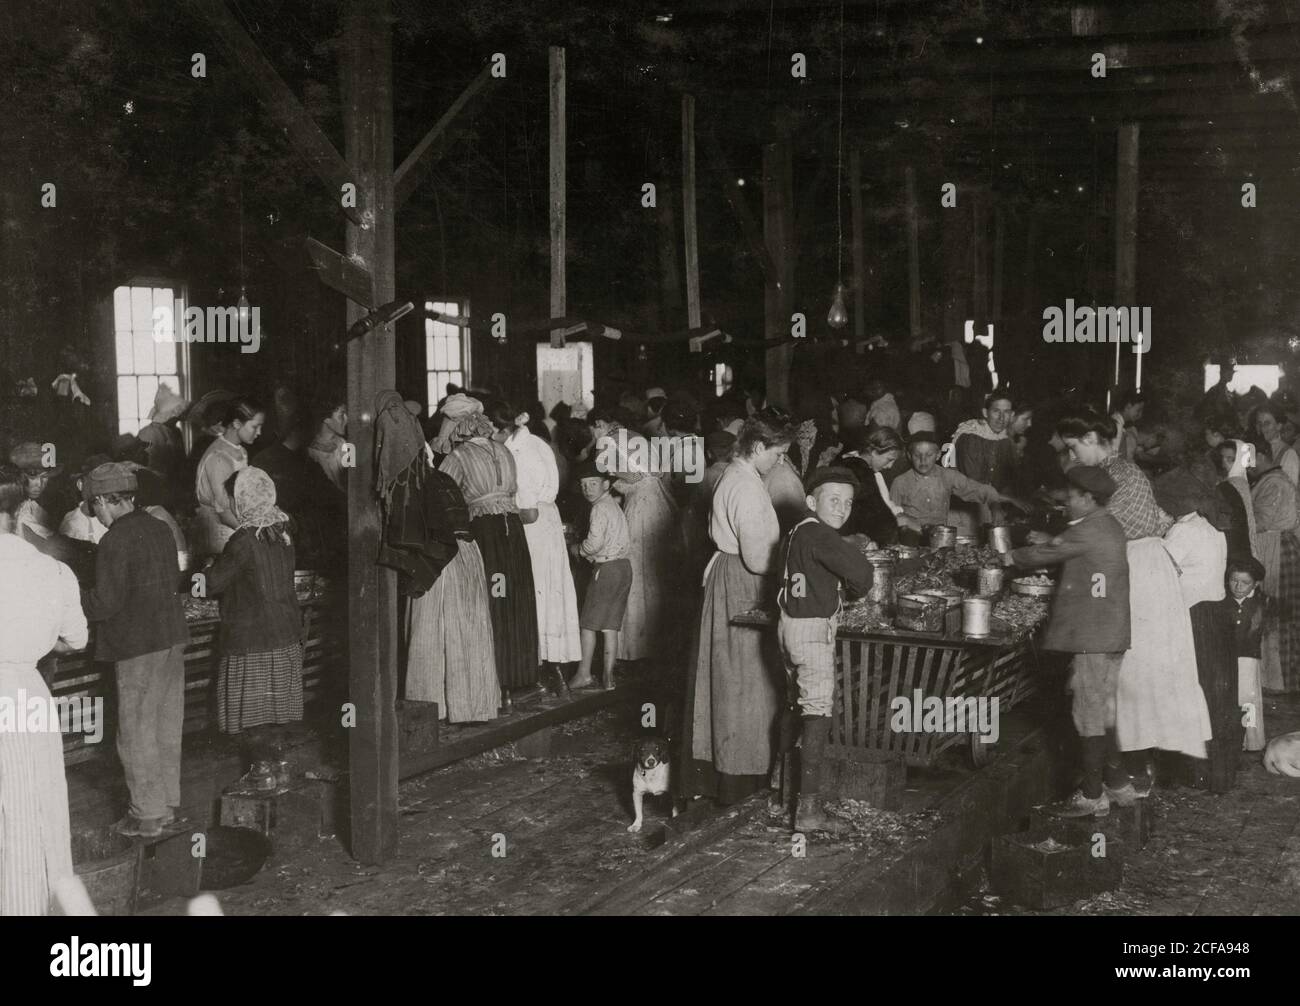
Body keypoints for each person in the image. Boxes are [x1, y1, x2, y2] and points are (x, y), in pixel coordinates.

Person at [1060, 409, 1211, 792]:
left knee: (1135, 673)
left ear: (1094, 438)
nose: (1073, 456)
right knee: (1126, 674)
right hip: (1133, 567)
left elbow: (1102, 529)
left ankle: (1133, 770)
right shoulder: (1109, 473)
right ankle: (1123, 768)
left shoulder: (1122, 473)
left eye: (1075, 447)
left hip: (1140, 571)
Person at [1002, 466, 1132, 816]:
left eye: (1073, 497)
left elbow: (1048, 553)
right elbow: (1069, 545)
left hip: (1094, 636)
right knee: (1104, 710)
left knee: (1087, 713)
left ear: (1089, 498)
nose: (1067, 502)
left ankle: (1092, 795)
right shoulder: (1108, 524)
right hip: (1111, 633)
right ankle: (1119, 785)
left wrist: (1009, 557)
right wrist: (1050, 539)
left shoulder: (1089, 529)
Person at [681, 414, 791, 805]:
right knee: (744, 681)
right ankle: (739, 776)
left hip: (731, 576)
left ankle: (734, 770)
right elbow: (759, 558)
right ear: (759, 448)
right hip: (743, 582)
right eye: (778, 454)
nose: (780, 462)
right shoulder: (743, 485)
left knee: (735, 678)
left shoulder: (738, 475)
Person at [79, 463, 189, 838]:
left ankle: (146, 815)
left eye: (93, 507)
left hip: (138, 645)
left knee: (136, 731)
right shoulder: (158, 527)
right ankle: (166, 804)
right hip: (171, 638)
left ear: (100, 502)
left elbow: (105, 604)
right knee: (164, 724)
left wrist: (71, 599)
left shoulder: (114, 540)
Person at [0, 470, 88, 914]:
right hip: (25, 695)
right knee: (32, 807)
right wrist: (34, 640)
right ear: (19, 511)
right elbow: (76, 639)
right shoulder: (51, 569)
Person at [777, 467, 876, 835]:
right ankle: (808, 809)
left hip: (788, 625)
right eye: (833, 500)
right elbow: (863, 575)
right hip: (813, 630)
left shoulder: (797, 531)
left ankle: (782, 788)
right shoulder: (821, 534)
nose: (842, 508)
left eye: (848, 502)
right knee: (818, 712)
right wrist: (851, 590)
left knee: (793, 703)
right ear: (811, 501)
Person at [439, 401, 540, 704]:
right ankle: (522, 679)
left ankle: (496, 684)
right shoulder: (503, 450)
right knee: (515, 600)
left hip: (486, 533)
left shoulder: (459, 456)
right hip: (512, 531)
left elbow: (441, 496)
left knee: (491, 602)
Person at [204, 468, 304, 749]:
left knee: (254, 720)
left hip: (254, 641)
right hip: (284, 634)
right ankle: (277, 771)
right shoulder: (282, 531)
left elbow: (211, 585)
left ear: (242, 500)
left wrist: (203, 572)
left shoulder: (244, 540)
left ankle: (263, 776)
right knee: (275, 717)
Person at [490, 402, 581, 683]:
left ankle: (539, 666)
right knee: (553, 592)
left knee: (536, 592)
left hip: (534, 527)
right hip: (549, 521)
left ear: (501, 429)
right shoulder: (538, 442)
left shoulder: (519, 455)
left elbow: (527, 512)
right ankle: (555, 664)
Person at [405, 465, 501, 723]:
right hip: (466, 553)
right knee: (463, 632)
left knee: (431, 632)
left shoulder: (414, 483)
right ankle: (466, 706)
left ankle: (431, 706)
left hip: (441, 558)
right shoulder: (441, 478)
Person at [1163, 498, 1234, 792]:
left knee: (1190, 694)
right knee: (1216, 697)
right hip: (1217, 616)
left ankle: (1194, 773)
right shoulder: (1211, 527)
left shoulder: (1182, 531)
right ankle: (1218, 775)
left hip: (1193, 617)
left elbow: (1160, 571)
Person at [568, 459, 633, 690]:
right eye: (584, 485)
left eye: (593, 484)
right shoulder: (614, 505)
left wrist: (579, 549)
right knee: (610, 627)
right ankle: (608, 677)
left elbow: (594, 543)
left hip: (606, 570)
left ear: (606, 484)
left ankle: (584, 674)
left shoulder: (598, 508)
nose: (587, 489)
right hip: (624, 568)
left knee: (587, 624)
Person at [890, 430, 1023, 536]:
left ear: (937, 455)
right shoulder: (900, 482)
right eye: (917, 455)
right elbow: (891, 517)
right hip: (910, 542)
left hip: (941, 540)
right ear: (909, 455)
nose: (923, 460)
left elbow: (980, 489)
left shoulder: (948, 476)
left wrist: (995, 506)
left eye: (929, 455)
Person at [1248, 446, 1300, 693]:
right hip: (1274, 547)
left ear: (1260, 456)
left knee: (1277, 615)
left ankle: (1280, 681)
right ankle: (1274, 679)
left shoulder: (1274, 482)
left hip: (1277, 549)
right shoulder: (1269, 480)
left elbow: (1261, 521)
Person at [194, 398, 264, 556]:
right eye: (255, 426)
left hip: (237, 522)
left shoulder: (240, 451)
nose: (259, 432)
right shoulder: (219, 458)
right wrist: (252, 537)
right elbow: (224, 511)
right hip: (220, 529)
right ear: (237, 423)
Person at [952, 391, 1018, 533]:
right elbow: (973, 483)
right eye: (996, 411)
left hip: (987, 507)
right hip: (963, 511)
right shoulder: (971, 437)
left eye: (1006, 412)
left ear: (1011, 415)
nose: (1001, 418)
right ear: (985, 412)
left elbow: (1006, 479)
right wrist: (1001, 502)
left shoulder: (1004, 440)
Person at [1222, 557, 1269, 752]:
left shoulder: (1259, 604)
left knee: (1248, 701)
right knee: (1230, 700)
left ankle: (1250, 740)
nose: (1238, 586)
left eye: (1245, 583)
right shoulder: (1223, 602)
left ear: (1256, 584)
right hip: (1227, 659)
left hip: (1247, 659)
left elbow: (1252, 632)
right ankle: (1231, 739)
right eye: (1234, 580)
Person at [837, 425, 906, 544]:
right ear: (873, 452)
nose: (890, 466)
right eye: (889, 459)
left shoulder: (849, 462)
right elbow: (881, 519)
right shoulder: (860, 470)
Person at [136, 384, 189, 489]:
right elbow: (146, 466)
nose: (177, 418)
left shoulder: (175, 432)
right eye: (175, 416)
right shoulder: (149, 432)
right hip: (156, 486)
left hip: (175, 485)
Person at [8, 441, 60, 539]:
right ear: (18, 476)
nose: (39, 484)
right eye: (32, 477)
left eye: (44, 477)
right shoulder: (12, 511)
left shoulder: (35, 508)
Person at [1254, 403, 1300, 485]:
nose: (1262, 428)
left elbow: (1290, 490)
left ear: (1278, 426)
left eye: (1267, 423)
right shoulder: (1259, 450)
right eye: (1259, 423)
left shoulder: (1289, 454)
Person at [308, 399, 348, 491]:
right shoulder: (311, 453)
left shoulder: (343, 443)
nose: (346, 420)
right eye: (341, 415)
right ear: (326, 419)